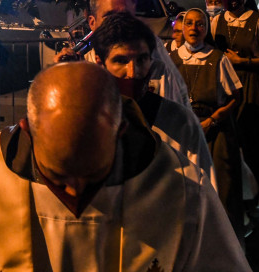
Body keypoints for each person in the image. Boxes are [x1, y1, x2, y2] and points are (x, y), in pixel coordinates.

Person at [0, 61, 255, 272]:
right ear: (27, 130)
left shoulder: (180, 189)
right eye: (58, 176)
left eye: (94, 175)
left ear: (120, 131)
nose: (75, 192)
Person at [90, 11, 215, 190]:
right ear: (100, 63)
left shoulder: (180, 123)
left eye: (141, 60)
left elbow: (205, 194)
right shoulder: (87, 121)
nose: (133, 72)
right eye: (121, 61)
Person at [173, 7, 245, 237]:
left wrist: (213, 120)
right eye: (189, 23)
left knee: (219, 188)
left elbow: (236, 97)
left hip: (212, 130)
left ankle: (221, 241)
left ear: (206, 29)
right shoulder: (172, 59)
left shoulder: (217, 59)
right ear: (182, 28)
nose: (194, 28)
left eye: (200, 24)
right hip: (181, 131)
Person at [68, 0, 189, 106]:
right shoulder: (83, 66)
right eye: (110, 16)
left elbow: (174, 114)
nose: (119, 22)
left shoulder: (157, 64)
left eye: (125, 16)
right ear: (92, 22)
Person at [210, 0, 259, 206]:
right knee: (227, 139)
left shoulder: (257, 21)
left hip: (250, 84)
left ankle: (253, 196)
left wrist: (243, 60)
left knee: (250, 139)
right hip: (226, 85)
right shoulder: (218, 20)